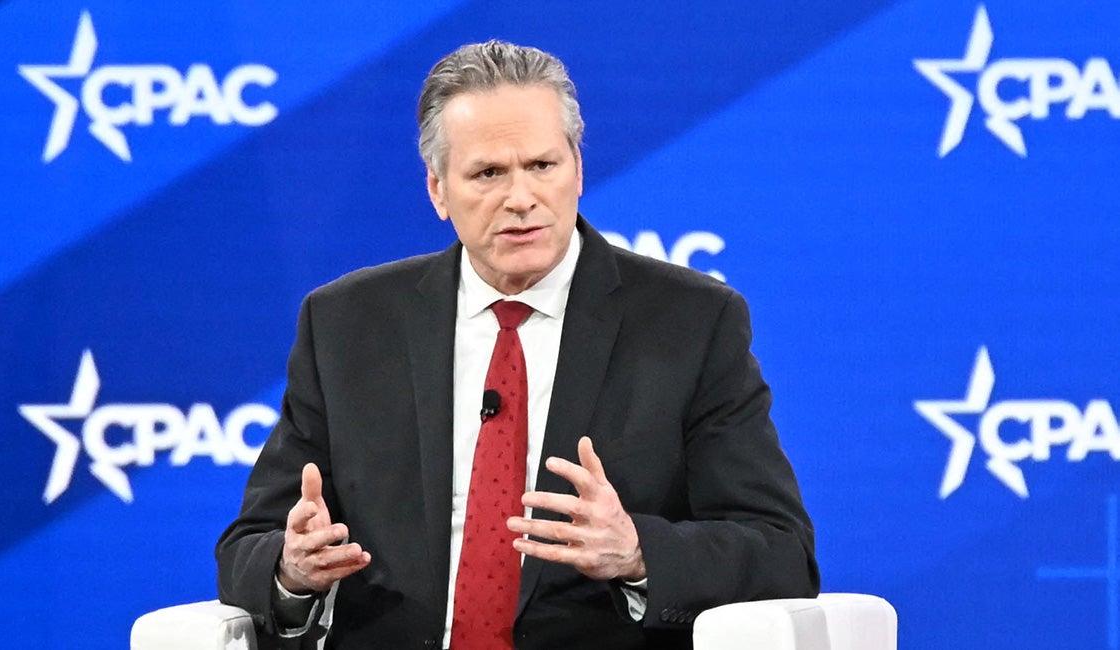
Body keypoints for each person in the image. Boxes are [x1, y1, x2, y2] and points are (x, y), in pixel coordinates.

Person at [216, 40, 818, 650]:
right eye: (488, 173)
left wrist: (636, 550)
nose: (521, 198)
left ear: (577, 168)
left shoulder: (691, 322)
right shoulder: (347, 324)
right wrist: (292, 569)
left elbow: (782, 551)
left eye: (542, 165)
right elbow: (247, 547)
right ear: (438, 190)